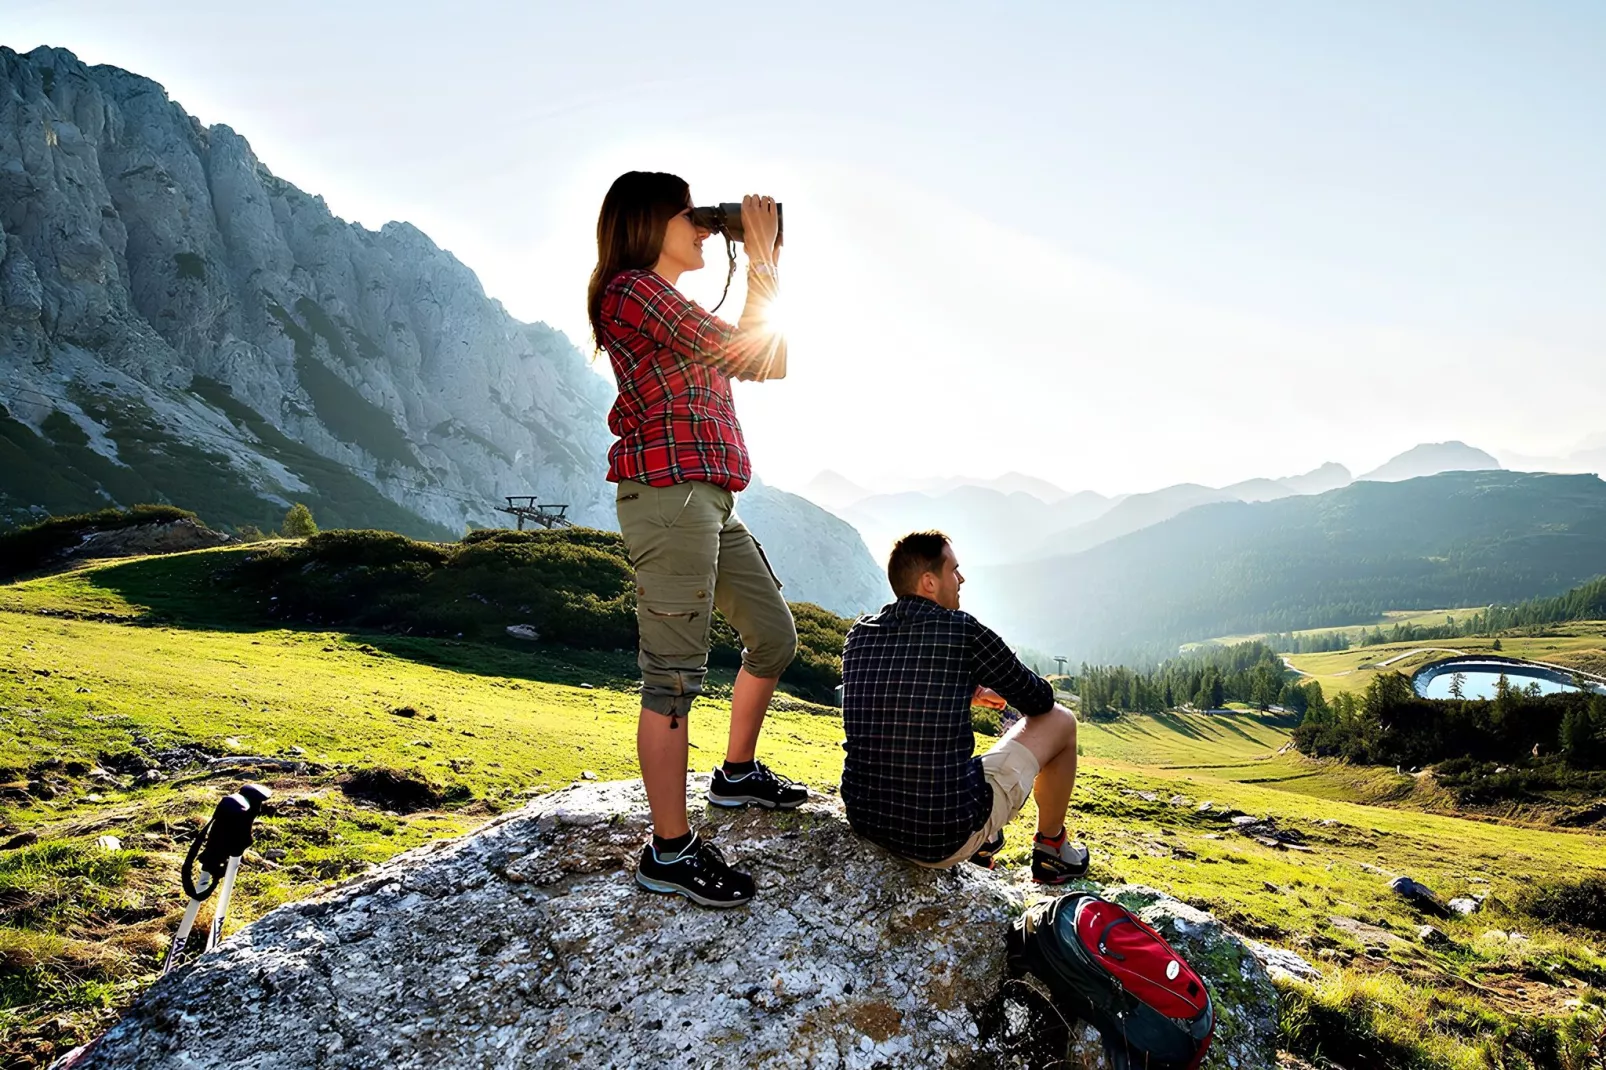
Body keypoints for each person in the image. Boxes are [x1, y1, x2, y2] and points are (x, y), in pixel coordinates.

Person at [588, 171, 806, 909]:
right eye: (693, 216)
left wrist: (761, 256)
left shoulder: (668, 302)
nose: (707, 227)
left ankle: (736, 774)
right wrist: (766, 257)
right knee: (674, 677)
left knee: (774, 636)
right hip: (669, 497)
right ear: (649, 224)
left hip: (710, 497)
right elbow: (753, 354)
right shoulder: (630, 290)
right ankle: (670, 851)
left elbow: (765, 358)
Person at [840, 531, 1089, 882]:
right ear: (929, 582)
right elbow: (1038, 700)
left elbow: (893, 692)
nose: (961, 579)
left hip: (867, 821)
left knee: (944, 763)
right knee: (1061, 720)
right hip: (938, 839)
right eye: (954, 570)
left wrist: (966, 690)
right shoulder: (963, 631)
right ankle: (1052, 850)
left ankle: (986, 840)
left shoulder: (859, 635)